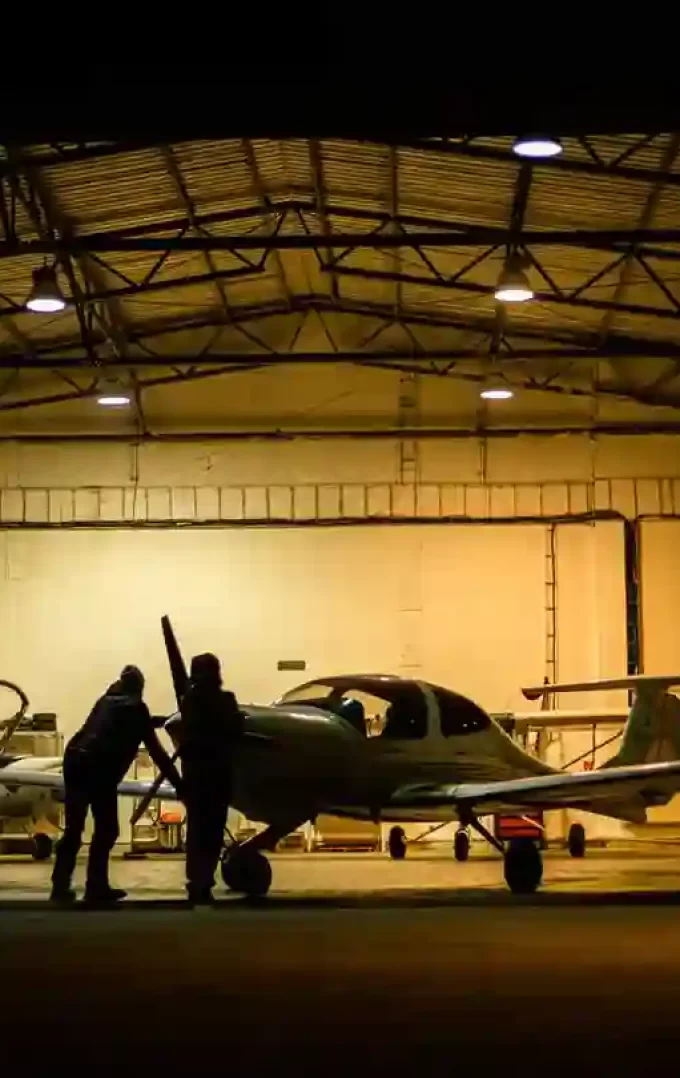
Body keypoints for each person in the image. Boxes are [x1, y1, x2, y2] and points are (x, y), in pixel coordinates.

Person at [51, 665, 183, 904]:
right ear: (139, 688)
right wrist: (180, 786)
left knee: (73, 829)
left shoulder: (106, 701)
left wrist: (158, 721)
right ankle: (96, 886)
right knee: (108, 829)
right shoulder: (136, 708)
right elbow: (158, 754)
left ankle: (60, 886)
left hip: (76, 760)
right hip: (99, 768)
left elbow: (120, 721)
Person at [177, 653, 244, 904]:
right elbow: (236, 732)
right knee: (213, 831)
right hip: (217, 776)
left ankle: (197, 882)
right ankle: (203, 881)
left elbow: (189, 741)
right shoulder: (226, 701)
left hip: (196, 777)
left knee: (197, 831)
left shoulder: (190, 703)